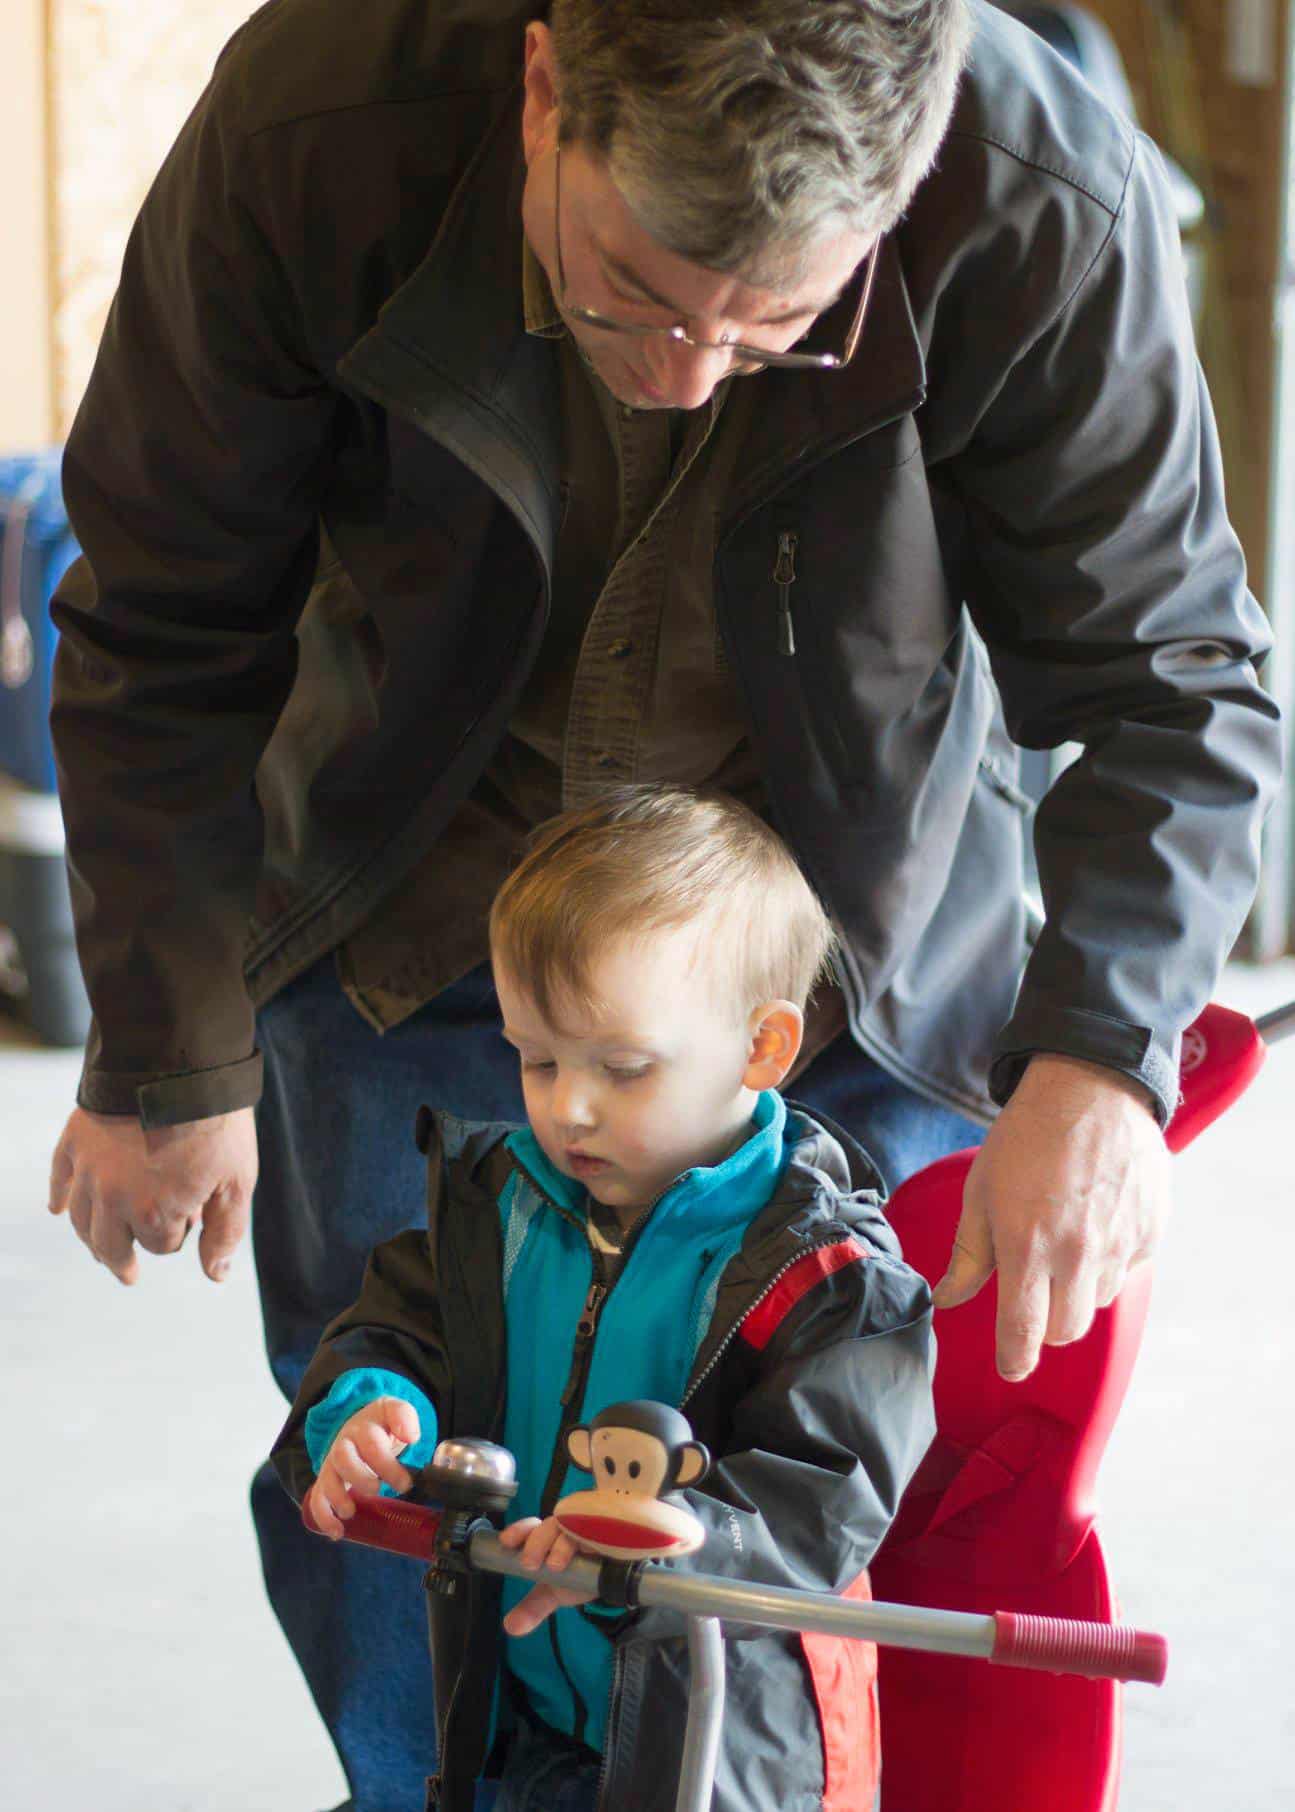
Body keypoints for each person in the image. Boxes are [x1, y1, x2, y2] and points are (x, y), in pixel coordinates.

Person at [45, 1, 1281, 1805]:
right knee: (405, 1509)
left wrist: (1100, 1053)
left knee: (819, 1551)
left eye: (780, 320)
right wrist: (164, 1045)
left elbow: (1171, 674)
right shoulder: (321, 113)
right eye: (633, 291)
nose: (692, 367)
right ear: (546, 86)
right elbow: (161, 612)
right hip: (420, 917)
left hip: (842, 950)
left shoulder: (1035, 184)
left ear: (911, 172)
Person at [271, 785, 936, 1812]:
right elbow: (397, 1328)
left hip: (723, 1743)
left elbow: (823, 1499)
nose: (564, 1107)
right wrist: (363, 1405)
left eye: (620, 1067)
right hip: (530, 1714)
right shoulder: (499, 1205)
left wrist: (657, 1536)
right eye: (534, 1058)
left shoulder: (829, 1277)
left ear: (762, 1048)